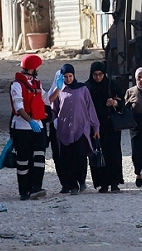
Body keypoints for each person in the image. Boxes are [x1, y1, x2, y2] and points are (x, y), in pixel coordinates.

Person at [51, 64, 100, 195]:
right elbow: (54, 108)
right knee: (67, 158)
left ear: (74, 75)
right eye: (65, 77)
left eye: (70, 76)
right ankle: (72, 185)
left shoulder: (83, 89)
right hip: (64, 129)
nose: (68, 79)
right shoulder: (59, 90)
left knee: (80, 156)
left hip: (81, 128)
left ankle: (82, 179)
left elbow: (90, 108)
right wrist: (55, 121)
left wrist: (95, 127)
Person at [10, 54, 51, 201]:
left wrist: (58, 88)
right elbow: (19, 108)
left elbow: (47, 100)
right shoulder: (17, 85)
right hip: (21, 128)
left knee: (39, 157)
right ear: (33, 68)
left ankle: (36, 187)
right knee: (23, 160)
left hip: (38, 126)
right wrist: (30, 121)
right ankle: (24, 191)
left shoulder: (36, 84)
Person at [85, 61, 125, 193]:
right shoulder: (87, 87)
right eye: (95, 75)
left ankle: (114, 183)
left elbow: (123, 101)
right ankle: (102, 184)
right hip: (94, 127)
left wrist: (115, 102)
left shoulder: (111, 85)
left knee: (113, 154)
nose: (98, 77)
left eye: (100, 74)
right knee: (98, 154)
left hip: (111, 126)